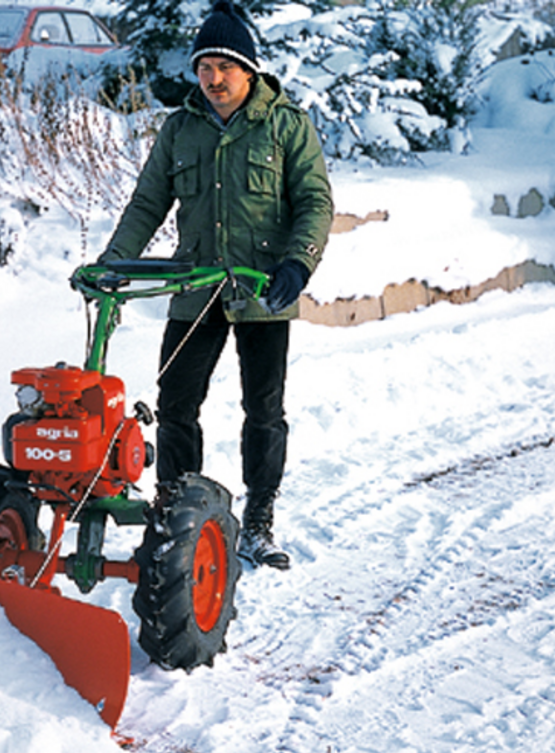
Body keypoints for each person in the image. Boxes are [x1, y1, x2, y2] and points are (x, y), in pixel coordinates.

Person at [98, 0, 333, 569]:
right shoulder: (181, 129)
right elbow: (148, 202)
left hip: (262, 290)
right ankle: (173, 518)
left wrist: (298, 264)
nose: (213, 78)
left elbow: (315, 202)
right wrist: (114, 262)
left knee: (264, 411)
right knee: (176, 405)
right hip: (196, 287)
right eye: (204, 67)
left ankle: (258, 521)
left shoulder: (285, 125)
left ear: (248, 70)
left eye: (224, 67)